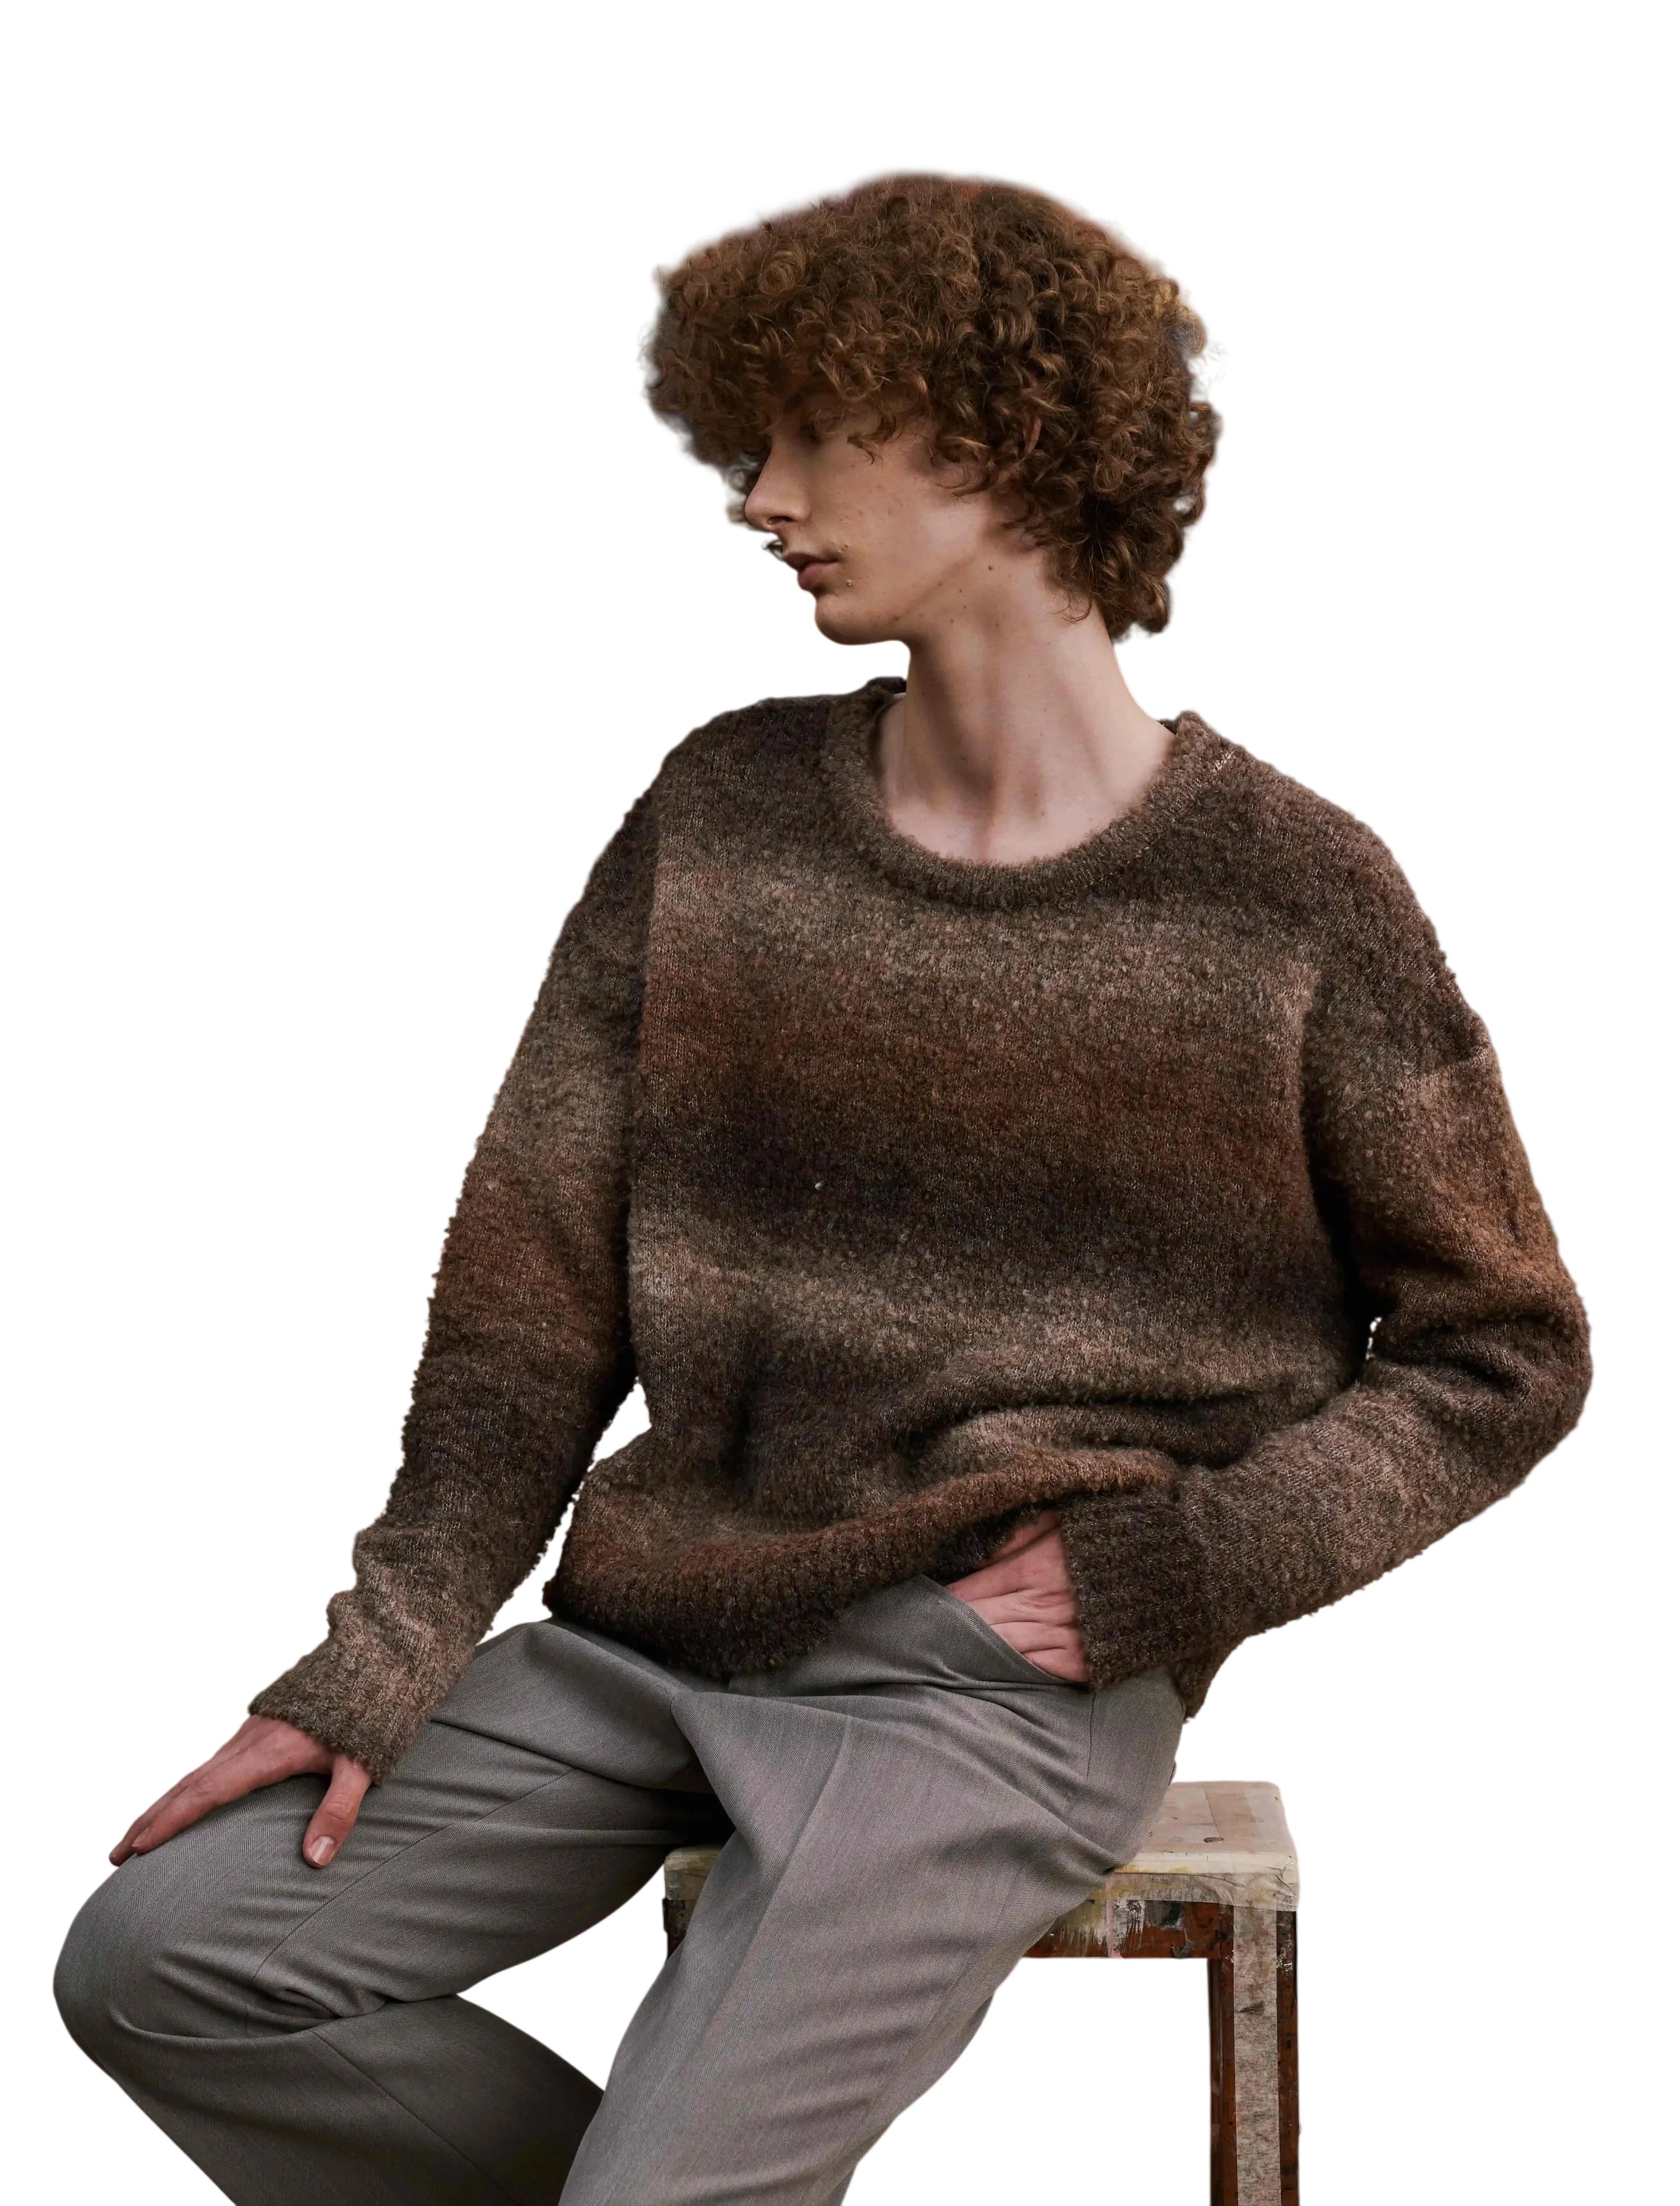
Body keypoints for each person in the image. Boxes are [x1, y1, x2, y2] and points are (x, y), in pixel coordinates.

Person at [55, 173, 1591, 2205]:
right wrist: (385, 1650)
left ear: (1003, 442)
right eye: (746, 439)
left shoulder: (1295, 894)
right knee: (160, 1964)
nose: (758, 496)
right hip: (665, 1624)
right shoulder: (725, 815)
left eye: (811, 435)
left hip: (984, 1688)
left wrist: (1176, 1573)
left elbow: (1502, 1349)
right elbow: (532, 1294)